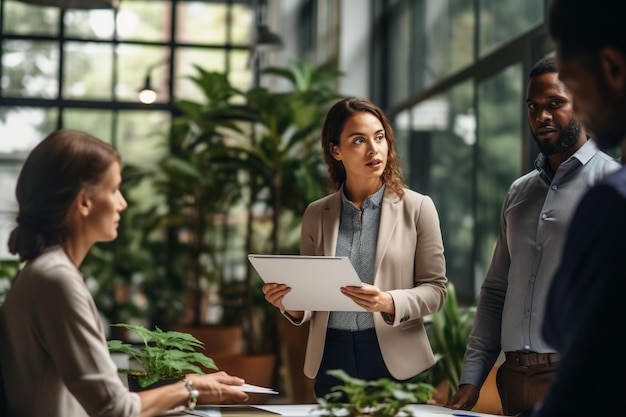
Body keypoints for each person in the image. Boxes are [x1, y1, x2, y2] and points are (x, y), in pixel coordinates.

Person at [0, 129, 249, 417]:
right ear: (84, 202)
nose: (123, 203)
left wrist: (186, 388)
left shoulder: (42, 273)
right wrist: (190, 389)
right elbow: (113, 409)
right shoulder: (56, 280)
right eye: (114, 189)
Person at [446, 57, 620, 416]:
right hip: (512, 379)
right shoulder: (517, 193)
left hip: (574, 379)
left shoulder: (611, 187)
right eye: (533, 107)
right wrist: (471, 379)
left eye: (555, 104)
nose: (542, 117)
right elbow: (495, 291)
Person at [261, 97, 448, 400]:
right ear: (336, 150)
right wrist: (289, 302)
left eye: (379, 137)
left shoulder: (418, 208)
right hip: (332, 358)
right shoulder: (315, 214)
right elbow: (310, 297)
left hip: (397, 358)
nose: (374, 149)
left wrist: (387, 301)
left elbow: (436, 291)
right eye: (359, 140)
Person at [518, 1, 626, 416]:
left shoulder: (611, 201)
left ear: (613, 69)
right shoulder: (521, 192)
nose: (575, 110)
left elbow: (583, 374)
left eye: (575, 90)